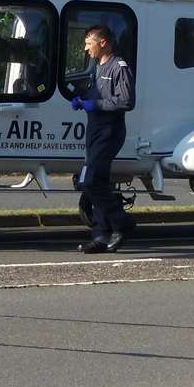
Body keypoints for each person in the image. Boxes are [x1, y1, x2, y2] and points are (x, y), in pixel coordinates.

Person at [70, 25, 135, 253]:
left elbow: (126, 102)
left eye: (89, 43)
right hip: (94, 131)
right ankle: (101, 236)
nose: (86, 49)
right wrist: (82, 99)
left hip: (110, 132)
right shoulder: (96, 67)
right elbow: (98, 95)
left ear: (103, 43)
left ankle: (121, 224)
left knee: (90, 181)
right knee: (95, 182)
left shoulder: (119, 67)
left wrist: (94, 104)